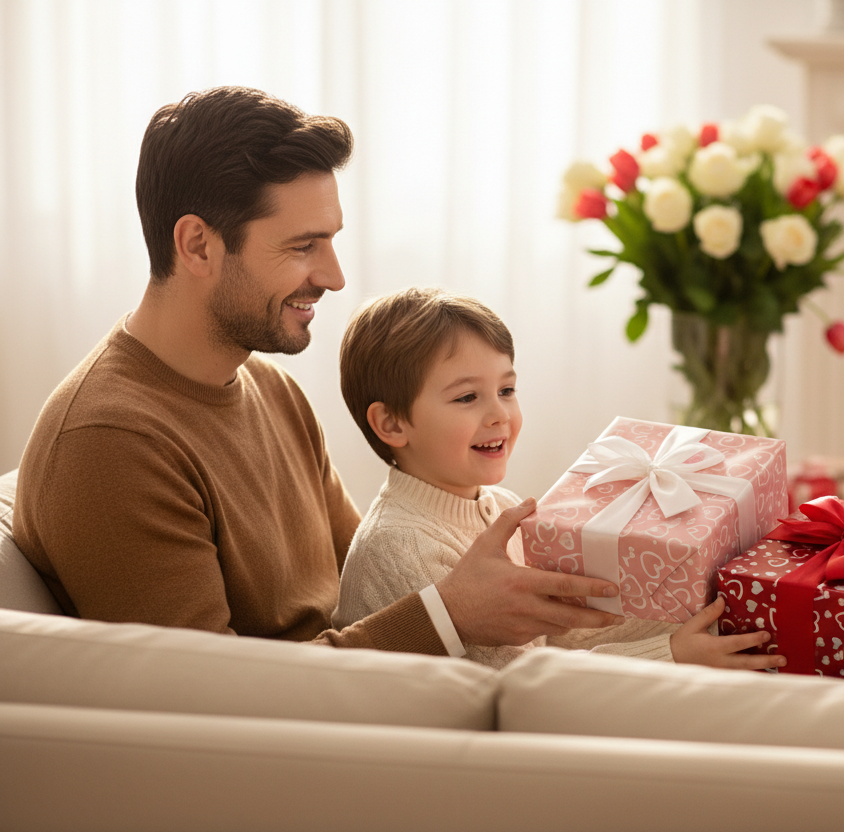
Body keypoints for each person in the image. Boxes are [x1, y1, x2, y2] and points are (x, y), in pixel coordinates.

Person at [12, 86, 625, 655]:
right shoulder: (112, 445)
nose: (334, 277)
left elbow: (371, 576)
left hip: (359, 708)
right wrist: (449, 617)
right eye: (304, 246)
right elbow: (207, 698)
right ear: (198, 245)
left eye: (330, 241)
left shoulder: (269, 387)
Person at [332, 287, 783, 670]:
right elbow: (513, 689)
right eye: (468, 397)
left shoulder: (498, 505)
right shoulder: (401, 545)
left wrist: (690, 611)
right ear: (392, 424)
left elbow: (557, 637)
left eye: (506, 390)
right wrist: (670, 654)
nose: (499, 415)